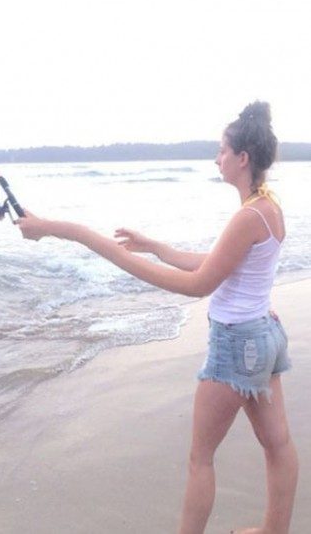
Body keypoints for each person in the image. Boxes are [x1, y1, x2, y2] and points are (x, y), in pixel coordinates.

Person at [16, 101, 298, 534]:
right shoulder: (267, 206)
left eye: (222, 151)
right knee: (278, 444)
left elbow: (199, 284)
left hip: (238, 345)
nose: (216, 158)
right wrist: (154, 247)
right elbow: (220, 262)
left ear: (242, 158)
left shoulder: (248, 216)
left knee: (200, 459)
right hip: (265, 337)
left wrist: (78, 235)